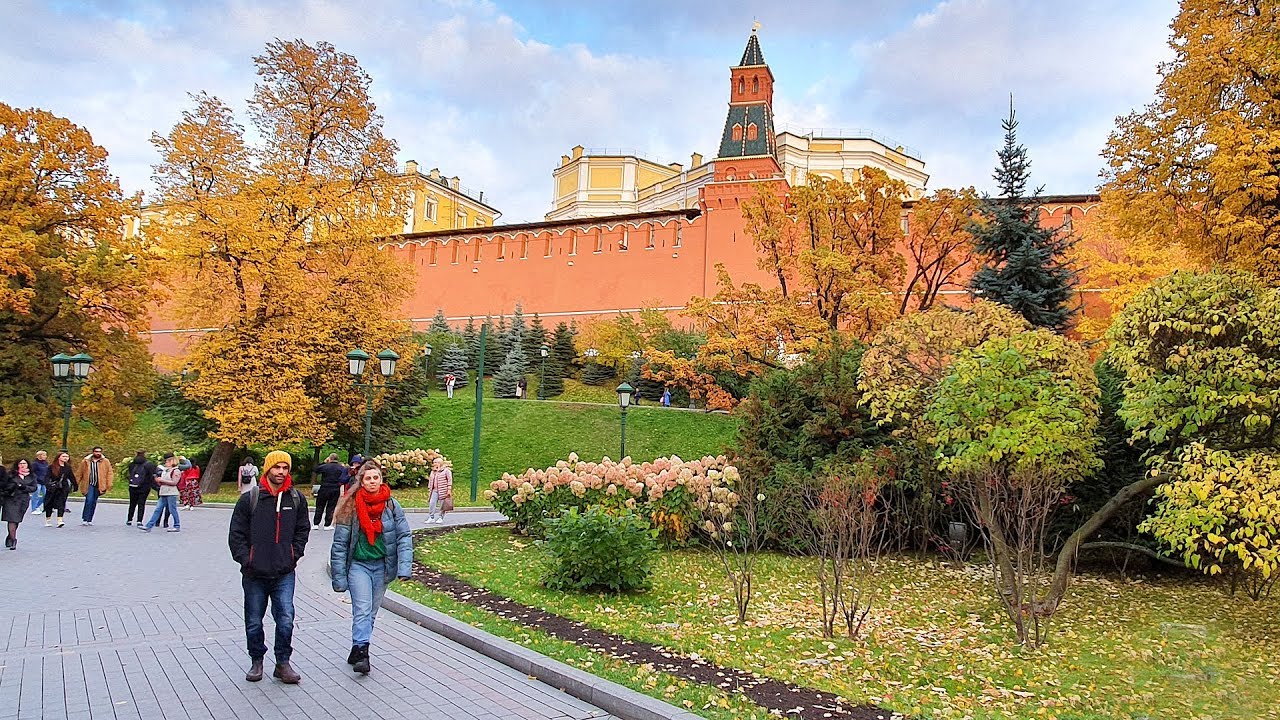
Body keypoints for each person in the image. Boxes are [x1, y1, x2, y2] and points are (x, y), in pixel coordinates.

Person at [228, 450, 310, 684]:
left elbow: (302, 530)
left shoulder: (296, 499)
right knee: (254, 619)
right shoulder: (250, 498)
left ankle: (283, 662)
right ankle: (257, 660)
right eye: (277, 468)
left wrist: (294, 554)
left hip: (284, 571)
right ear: (268, 469)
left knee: (285, 618)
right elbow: (236, 534)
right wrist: (248, 559)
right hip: (255, 572)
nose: (281, 472)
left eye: (285, 468)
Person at [329, 460, 412, 675]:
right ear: (361, 481)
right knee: (362, 609)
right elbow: (339, 545)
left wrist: (404, 568)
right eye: (368, 478)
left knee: (371, 613)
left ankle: (357, 646)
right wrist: (338, 578)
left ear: (381, 480)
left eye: (376, 477)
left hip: (383, 566)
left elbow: (404, 536)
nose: (373, 481)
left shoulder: (391, 505)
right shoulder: (351, 506)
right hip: (359, 565)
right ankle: (363, 653)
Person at [2, 458, 38, 550]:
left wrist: (23, 487)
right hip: (11, 499)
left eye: (24, 463)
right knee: (11, 519)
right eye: (20, 463)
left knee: (17, 520)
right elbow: (5, 485)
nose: (22, 465)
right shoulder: (11, 474)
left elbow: (34, 488)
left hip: (23, 500)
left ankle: (10, 535)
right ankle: (14, 540)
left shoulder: (32, 476)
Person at [141, 452, 181, 533]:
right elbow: (163, 481)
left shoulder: (176, 471)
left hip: (171, 493)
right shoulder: (165, 471)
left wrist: (162, 480)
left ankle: (177, 525)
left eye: (167, 462)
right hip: (163, 492)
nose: (165, 463)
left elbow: (174, 482)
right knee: (158, 509)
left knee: (172, 509)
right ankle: (149, 526)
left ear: (171, 462)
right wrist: (158, 481)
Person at [76, 446, 113, 526]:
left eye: (99, 451)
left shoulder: (105, 461)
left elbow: (109, 473)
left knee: (93, 501)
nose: (98, 453)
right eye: (96, 451)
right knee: (89, 500)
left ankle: (89, 519)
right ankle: (85, 518)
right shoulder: (86, 461)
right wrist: (76, 483)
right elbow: (80, 473)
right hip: (89, 484)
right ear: (93, 452)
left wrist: (109, 483)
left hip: (99, 484)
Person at [311, 454, 346, 530]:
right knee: (331, 507)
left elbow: (315, 469)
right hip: (335, 489)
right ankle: (327, 524)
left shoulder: (325, 466)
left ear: (330, 459)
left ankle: (316, 523)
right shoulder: (341, 468)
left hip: (324, 488)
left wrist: (324, 462)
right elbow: (344, 477)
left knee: (320, 506)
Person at [124, 451, 156, 526]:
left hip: (133, 485)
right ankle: (139, 520)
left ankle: (129, 519)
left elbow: (129, 474)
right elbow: (151, 476)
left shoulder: (132, 464)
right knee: (141, 503)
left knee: (132, 503)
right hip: (144, 486)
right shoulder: (149, 464)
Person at [44, 451, 75, 528]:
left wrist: (75, 485)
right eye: (63, 456)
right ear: (58, 457)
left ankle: (60, 520)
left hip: (63, 487)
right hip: (53, 487)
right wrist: (48, 484)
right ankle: (48, 519)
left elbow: (71, 477)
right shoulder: (51, 467)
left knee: (61, 503)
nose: (66, 458)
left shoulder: (67, 467)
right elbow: (47, 477)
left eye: (67, 457)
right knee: (49, 504)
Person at [426, 457, 453, 525]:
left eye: (435, 462)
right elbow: (430, 480)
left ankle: (440, 517)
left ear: (440, 463)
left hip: (443, 490)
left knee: (442, 505)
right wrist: (429, 488)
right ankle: (431, 517)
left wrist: (449, 490)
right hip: (434, 490)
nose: (434, 464)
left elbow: (449, 480)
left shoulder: (446, 471)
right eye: (434, 462)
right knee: (432, 503)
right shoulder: (433, 471)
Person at [28, 450, 49, 515]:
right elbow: (32, 472)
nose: (45, 456)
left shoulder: (45, 463)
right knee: (36, 495)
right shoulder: (35, 464)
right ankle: (34, 509)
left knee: (47, 495)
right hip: (37, 481)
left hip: (44, 481)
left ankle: (38, 506)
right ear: (39, 456)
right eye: (44, 455)